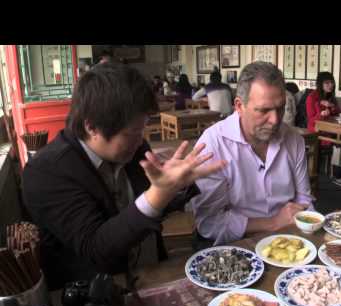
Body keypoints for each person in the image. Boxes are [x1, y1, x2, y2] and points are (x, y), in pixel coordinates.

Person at [22, 63, 226, 290]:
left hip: (151, 274)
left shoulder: (132, 147)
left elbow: (147, 211)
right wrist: (158, 194)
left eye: (142, 129)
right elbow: (96, 247)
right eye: (132, 133)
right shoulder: (45, 173)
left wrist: (178, 185)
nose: (141, 140)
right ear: (92, 127)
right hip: (96, 294)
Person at [190, 61, 315, 247]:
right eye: (264, 110)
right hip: (236, 244)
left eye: (280, 108)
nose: (274, 120)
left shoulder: (293, 139)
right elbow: (209, 223)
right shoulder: (213, 144)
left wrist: (307, 223)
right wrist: (272, 223)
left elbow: (303, 199)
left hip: (288, 236)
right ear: (239, 106)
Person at [306, 72, 341, 187]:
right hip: (316, 133)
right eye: (327, 83)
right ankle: (337, 176)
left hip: (331, 131)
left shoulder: (331, 98)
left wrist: (332, 107)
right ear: (320, 84)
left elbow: (340, 113)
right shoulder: (312, 97)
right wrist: (321, 114)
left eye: (332, 82)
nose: (331, 85)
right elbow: (311, 120)